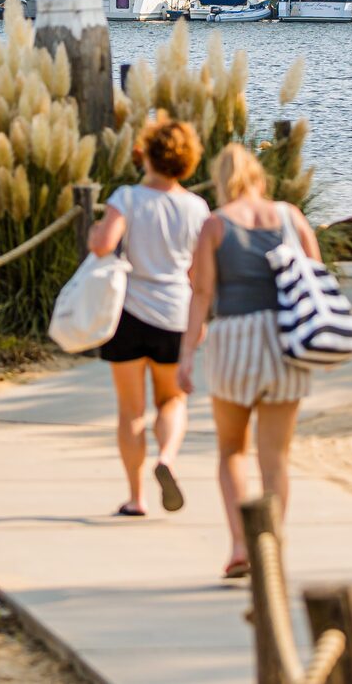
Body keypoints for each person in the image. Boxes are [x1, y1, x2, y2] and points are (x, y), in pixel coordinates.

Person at [179, 144, 320, 579]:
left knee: (231, 451)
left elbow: (201, 294)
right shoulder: (291, 216)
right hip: (284, 341)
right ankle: (272, 544)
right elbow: (316, 275)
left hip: (234, 340)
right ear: (259, 176)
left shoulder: (215, 225)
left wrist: (186, 356)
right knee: (274, 456)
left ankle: (241, 544)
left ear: (222, 182)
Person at [87, 117, 209, 518]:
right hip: (174, 314)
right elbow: (198, 275)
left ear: (145, 157)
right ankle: (168, 459)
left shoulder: (127, 197)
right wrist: (199, 321)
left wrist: (94, 234)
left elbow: (104, 244)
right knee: (172, 399)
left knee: (131, 410)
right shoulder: (196, 207)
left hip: (128, 315)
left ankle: (136, 497)